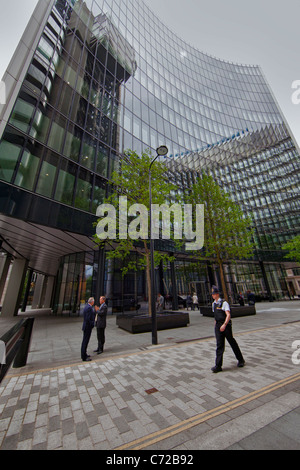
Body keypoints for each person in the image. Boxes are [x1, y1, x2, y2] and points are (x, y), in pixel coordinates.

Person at [211, 286, 245, 373]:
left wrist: (224, 324)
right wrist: (216, 326)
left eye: (214, 294)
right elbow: (215, 316)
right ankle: (218, 366)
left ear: (217, 294)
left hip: (225, 326)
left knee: (232, 342)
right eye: (212, 294)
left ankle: (241, 360)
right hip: (218, 326)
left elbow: (228, 315)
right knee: (219, 345)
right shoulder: (213, 304)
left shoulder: (224, 303)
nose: (212, 295)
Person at [81, 297, 97, 362]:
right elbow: (88, 319)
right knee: (85, 341)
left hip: (86, 326)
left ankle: (85, 354)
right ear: (92, 302)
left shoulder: (86, 307)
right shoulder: (89, 308)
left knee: (85, 341)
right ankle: (83, 357)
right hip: (87, 327)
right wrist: (93, 324)